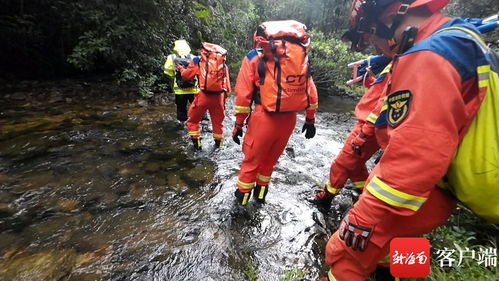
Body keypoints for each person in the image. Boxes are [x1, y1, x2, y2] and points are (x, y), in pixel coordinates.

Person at [322, 0, 494, 280]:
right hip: (441, 192)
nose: (376, 46)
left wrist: (361, 219)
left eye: (373, 35)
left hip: (417, 194)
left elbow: (413, 159)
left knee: (344, 258)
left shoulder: (426, 57)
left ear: (391, 17)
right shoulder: (460, 39)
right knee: (400, 246)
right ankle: (399, 273)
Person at [232, 20, 319, 206]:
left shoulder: (254, 57)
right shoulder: (300, 58)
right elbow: (311, 93)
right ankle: (260, 199)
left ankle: (240, 209)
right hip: (289, 119)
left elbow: (243, 96)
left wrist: (238, 124)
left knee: (251, 163)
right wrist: (310, 120)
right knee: (269, 163)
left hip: (263, 118)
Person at [311, 63, 391, 211]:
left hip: (369, 127)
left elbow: (383, 104)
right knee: (356, 164)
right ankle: (363, 193)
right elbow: (379, 92)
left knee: (341, 163)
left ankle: (326, 197)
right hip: (369, 125)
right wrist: (369, 80)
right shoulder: (395, 63)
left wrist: (364, 133)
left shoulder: (400, 65)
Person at [177, 42, 230, 150]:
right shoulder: (222, 63)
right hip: (219, 97)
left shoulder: (198, 60)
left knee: (192, 120)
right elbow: (227, 86)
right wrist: (223, 101)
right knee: (218, 123)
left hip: (203, 96)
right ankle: (218, 146)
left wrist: (181, 69)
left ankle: (197, 145)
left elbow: (187, 76)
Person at [163, 39, 199, 122]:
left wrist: (175, 75)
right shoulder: (193, 57)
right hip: (194, 89)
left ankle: (182, 125)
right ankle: (197, 125)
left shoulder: (171, 57)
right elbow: (198, 72)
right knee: (197, 109)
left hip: (179, 90)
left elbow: (167, 71)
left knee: (181, 109)